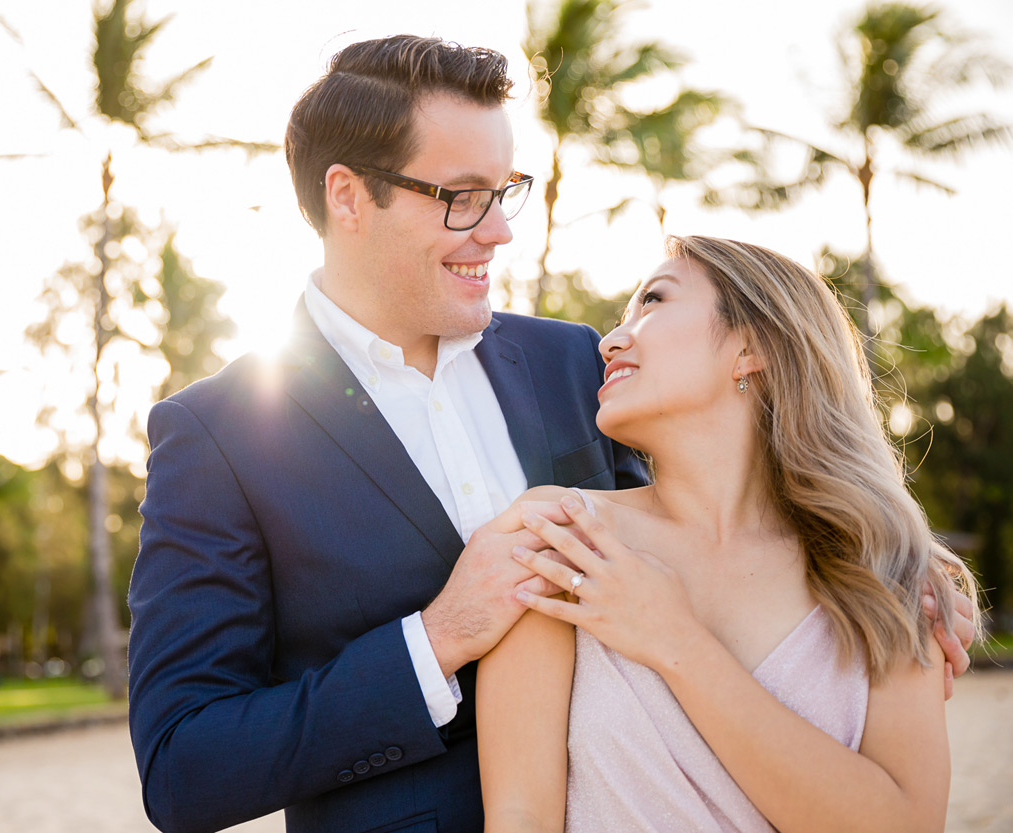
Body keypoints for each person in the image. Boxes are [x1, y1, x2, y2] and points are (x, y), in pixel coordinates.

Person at [126, 35, 647, 833]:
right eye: (461, 196)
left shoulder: (572, 359)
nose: (498, 230)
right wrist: (440, 637)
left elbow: (700, 545)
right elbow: (183, 765)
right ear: (348, 196)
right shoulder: (217, 434)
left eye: (503, 190)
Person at [477, 236, 981, 833]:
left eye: (654, 301)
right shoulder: (564, 537)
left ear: (752, 346)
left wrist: (676, 640)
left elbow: (906, 824)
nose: (610, 341)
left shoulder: (882, 570)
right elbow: (519, 816)